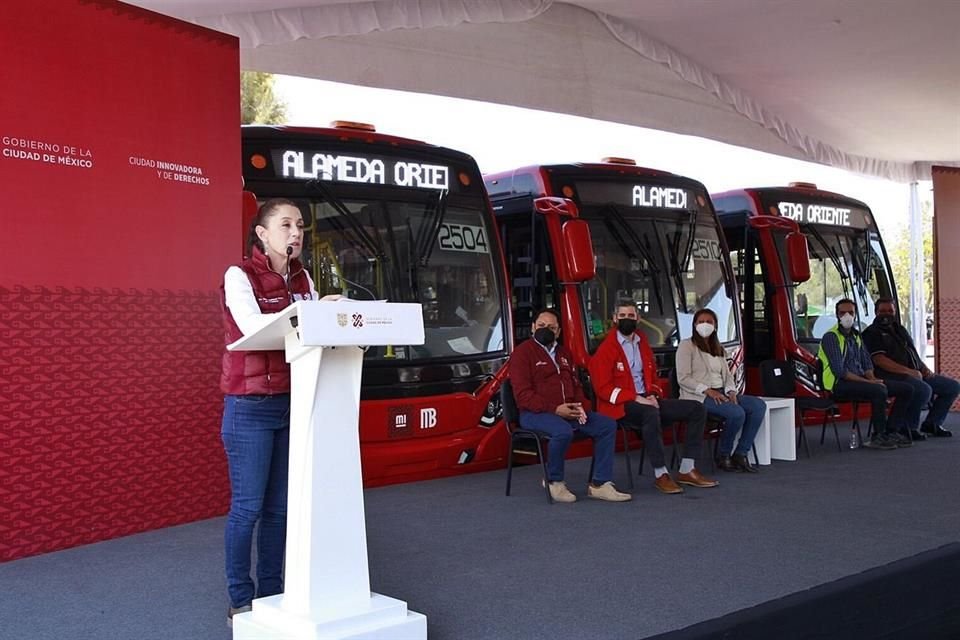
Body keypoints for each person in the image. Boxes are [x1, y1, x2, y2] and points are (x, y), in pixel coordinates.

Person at [220, 198, 342, 626]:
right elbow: (254, 330)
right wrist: (307, 313)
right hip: (250, 406)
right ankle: (240, 598)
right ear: (262, 233)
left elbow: (310, 335)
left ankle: (272, 593)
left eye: (301, 226)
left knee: (279, 510)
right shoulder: (239, 274)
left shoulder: (303, 277)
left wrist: (330, 316)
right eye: (286, 225)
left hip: (295, 401)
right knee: (248, 508)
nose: (296, 233)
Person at [588, 301, 718, 494]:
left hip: (647, 399)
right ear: (615, 319)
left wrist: (654, 394)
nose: (626, 320)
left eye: (631, 316)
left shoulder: (642, 341)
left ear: (638, 319)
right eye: (622, 316)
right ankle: (661, 474)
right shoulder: (605, 349)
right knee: (649, 413)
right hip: (620, 406)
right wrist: (635, 398)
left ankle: (687, 469)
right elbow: (602, 389)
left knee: (696, 409)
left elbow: (652, 374)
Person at [509, 308, 632, 503]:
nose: (546, 330)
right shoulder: (522, 354)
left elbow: (576, 386)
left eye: (551, 327)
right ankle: (554, 481)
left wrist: (581, 407)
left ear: (558, 331)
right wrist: (555, 409)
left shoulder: (564, 353)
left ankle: (600, 484)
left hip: (568, 411)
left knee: (607, 425)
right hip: (535, 413)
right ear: (533, 328)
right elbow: (523, 396)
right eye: (541, 326)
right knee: (563, 431)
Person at [676, 309, 767, 473]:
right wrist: (708, 391)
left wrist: (731, 391)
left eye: (709, 322)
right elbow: (683, 378)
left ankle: (740, 453)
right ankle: (723, 455)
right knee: (737, 413)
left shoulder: (718, 348)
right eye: (700, 321)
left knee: (758, 406)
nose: (704, 324)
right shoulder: (686, 345)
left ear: (715, 326)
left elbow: (728, 376)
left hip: (722, 392)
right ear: (694, 325)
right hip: (698, 396)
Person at [817, 298, 914, 450]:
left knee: (907, 389)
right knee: (878, 390)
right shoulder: (831, 337)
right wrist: (870, 383)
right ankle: (878, 436)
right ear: (837, 315)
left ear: (855, 315)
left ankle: (891, 431)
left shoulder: (856, 336)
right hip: (839, 384)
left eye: (851, 312)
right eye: (843, 313)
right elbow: (840, 371)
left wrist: (872, 378)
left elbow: (866, 362)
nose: (847, 316)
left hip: (861, 380)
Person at [862, 297, 957, 438]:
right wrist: (909, 372)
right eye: (883, 311)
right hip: (888, 375)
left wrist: (923, 368)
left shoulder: (899, 329)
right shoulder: (871, 333)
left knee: (952, 387)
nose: (887, 314)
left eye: (890, 311)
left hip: (914, 373)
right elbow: (879, 360)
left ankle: (932, 424)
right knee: (923, 389)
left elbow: (912, 353)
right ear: (876, 312)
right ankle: (907, 427)